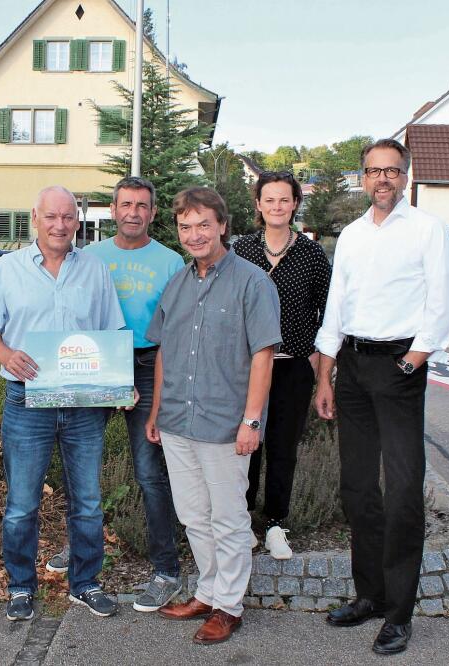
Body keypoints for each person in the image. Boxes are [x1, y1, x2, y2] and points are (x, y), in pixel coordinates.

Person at [314, 139, 449, 655]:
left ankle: (399, 613)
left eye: (392, 171)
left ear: (406, 175)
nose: (382, 180)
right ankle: (369, 596)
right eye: (374, 171)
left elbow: (441, 303)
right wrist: (326, 375)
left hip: (399, 369)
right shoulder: (351, 236)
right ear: (363, 177)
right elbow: (337, 305)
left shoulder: (428, 229)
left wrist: (410, 362)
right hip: (351, 367)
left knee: (401, 493)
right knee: (357, 490)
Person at [0, 185, 126, 622]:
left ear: (77, 220)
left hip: (83, 404)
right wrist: (6, 355)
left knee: (89, 502)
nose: (60, 225)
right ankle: (21, 586)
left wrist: (119, 384)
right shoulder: (8, 270)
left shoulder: (95, 271)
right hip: (27, 401)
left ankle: (86, 583)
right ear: (35, 218)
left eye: (67, 217)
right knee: (22, 503)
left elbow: (112, 333)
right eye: (51, 217)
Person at [145, 187, 282, 644]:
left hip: (225, 423)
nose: (194, 234)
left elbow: (263, 356)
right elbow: (165, 348)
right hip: (178, 421)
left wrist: (252, 420)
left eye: (203, 224)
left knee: (227, 519)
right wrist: (156, 408)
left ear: (223, 225)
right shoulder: (178, 282)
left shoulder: (253, 282)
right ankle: (207, 591)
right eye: (186, 226)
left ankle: (229, 605)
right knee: (193, 516)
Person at [45, 177, 186, 612]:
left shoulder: (170, 261)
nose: (133, 213)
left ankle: (166, 570)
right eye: (126, 204)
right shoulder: (88, 256)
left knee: (148, 472)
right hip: (97, 361)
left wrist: (162, 392)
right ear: (113, 208)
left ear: (153, 213)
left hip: (145, 366)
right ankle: (82, 547)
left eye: (142, 206)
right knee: (81, 463)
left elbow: (174, 329)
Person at [233, 171, 331, 559]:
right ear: (258, 205)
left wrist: (317, 354)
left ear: (294, 204)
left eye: (284, 200)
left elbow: (329, 308)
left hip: (292, 366)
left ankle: (275, 523)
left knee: (283, 446)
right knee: (247, 444)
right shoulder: (241, 250)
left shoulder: (311, 254)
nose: (276, 206)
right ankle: (242, 521)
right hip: (249, 367)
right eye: (269, 200)